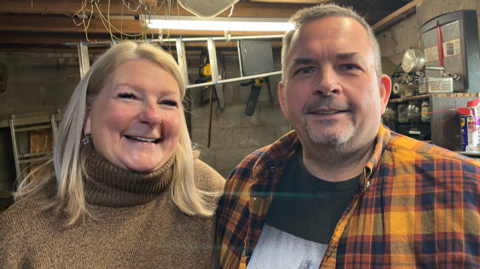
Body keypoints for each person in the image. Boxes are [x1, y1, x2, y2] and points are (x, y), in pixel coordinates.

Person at [216, 4, 480, 269]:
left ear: (382, 93)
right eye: (305, 69)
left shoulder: (466, 192)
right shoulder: (245, 180)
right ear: (284, 99)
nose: (327, 84)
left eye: (348, 66)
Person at [0, 41, 224, 268]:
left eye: (167, 102)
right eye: (129, 96)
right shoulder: (21, 233)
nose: (153, 116)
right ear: (87, 114)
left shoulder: (216, 196)